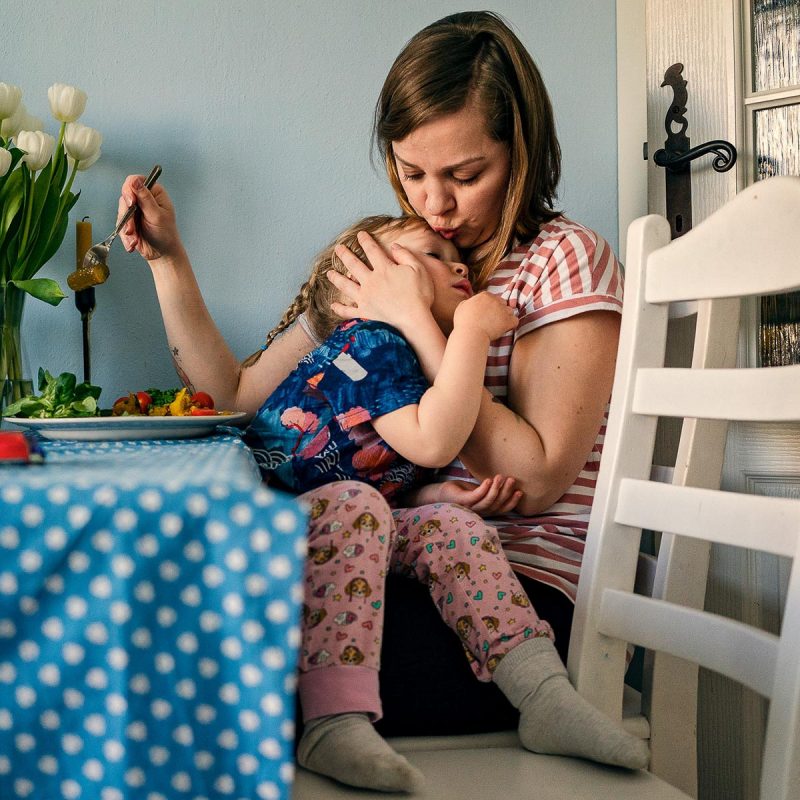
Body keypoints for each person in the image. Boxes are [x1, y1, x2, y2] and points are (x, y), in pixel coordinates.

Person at [116, 9, 647, 792]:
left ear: (522, 153)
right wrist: (167, 261)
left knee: (209, 657)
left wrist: (422, 323)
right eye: (410, 170)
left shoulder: (563, 262)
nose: (436, 204)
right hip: (373, 573)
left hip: (515, 603)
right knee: (192, 622)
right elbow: (231, 394)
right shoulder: (395, 254)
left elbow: (535, 479)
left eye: (466, 176)